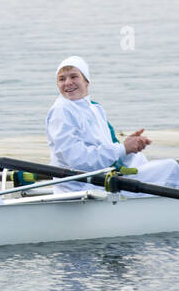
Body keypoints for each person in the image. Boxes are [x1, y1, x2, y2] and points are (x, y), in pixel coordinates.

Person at [46, 55, 179, 193]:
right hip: (82, 188)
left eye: (74, 77)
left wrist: (129, 148)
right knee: (171, 167)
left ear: (87, 81)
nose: (68, 82)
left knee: (142, 159)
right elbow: (77, 160)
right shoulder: (61, 111)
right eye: (62, 79)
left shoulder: (96, 110)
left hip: (103, 180)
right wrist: (122, 149)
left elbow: (112, 159)